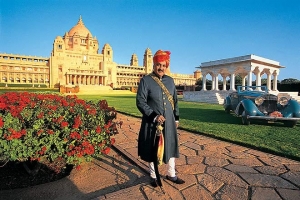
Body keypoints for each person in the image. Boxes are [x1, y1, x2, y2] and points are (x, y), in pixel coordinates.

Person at [136, 50, 185, 187]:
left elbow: (175, 101)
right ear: (154, 65)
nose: (161, 68)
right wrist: (154, 116)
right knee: (153, 148)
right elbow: (140, 101)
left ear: (166, 65)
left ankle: (171, 174)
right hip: (152, 123)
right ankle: (153, 176)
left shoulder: (170, 81)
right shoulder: (146, 81)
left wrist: (176, 118)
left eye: (163, 65)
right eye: (158, 65)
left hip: (169, 122)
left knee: (170, 146)